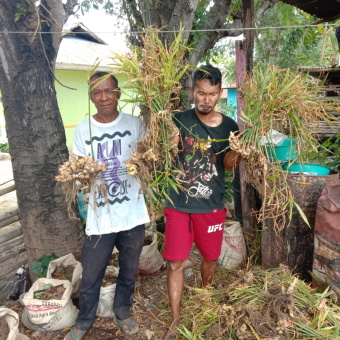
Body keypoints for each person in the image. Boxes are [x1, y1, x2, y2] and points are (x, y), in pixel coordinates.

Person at [64, 72, 150, 339]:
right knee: (91, 273)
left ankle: (122, 312)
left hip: (133, 214)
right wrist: (81, 175)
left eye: (108, 91)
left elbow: (148, 157)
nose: (103, 97)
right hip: (100, 216)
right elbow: (79, 170)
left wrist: (146, 160)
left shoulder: (136, 125)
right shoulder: (83, 130)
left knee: (128, 269)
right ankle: (84, 320)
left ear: (118, 93)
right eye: (97, 93)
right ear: (91, 96)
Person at [163, 65, 240, 339]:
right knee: (175, 263)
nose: (205, 99)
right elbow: (160, 149)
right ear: (192, 91)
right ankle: (175, 319)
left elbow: (229, 166)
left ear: (220, 93)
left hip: (211, 206)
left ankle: (205, 299)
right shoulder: (177, 120)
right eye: (201, 93)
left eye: (212, 94)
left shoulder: (231, 126)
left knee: (210, 257)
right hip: (178, 204)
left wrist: (240, 150)